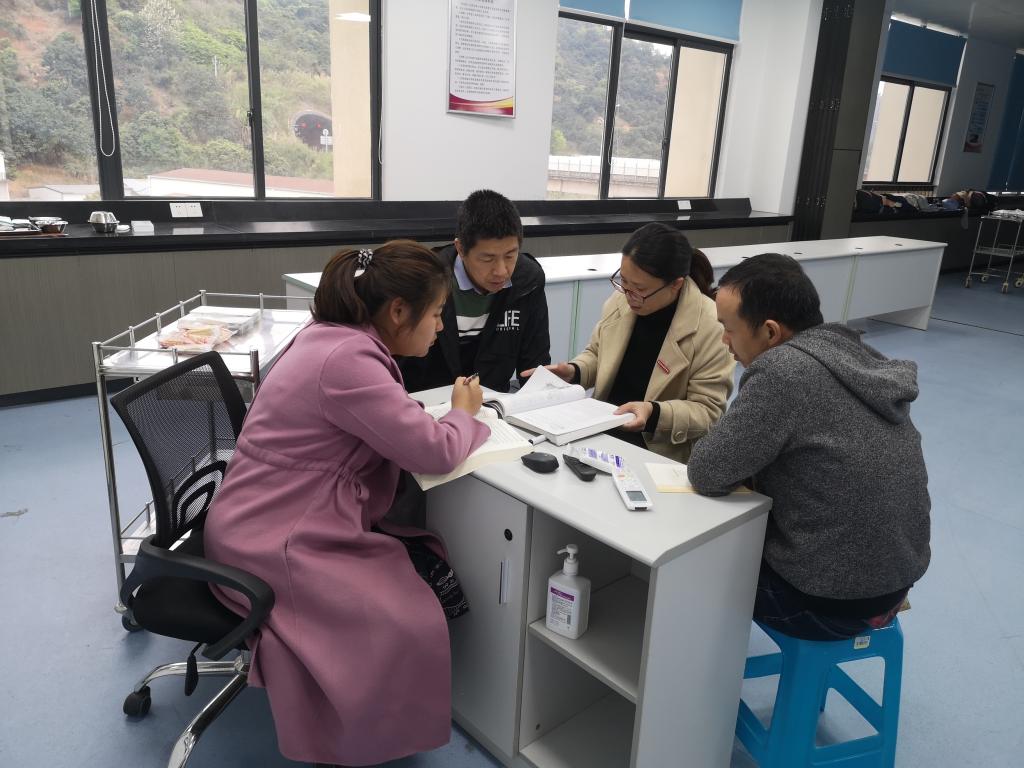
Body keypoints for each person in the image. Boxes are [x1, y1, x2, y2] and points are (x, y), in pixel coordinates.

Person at [203, 241, 491, 766]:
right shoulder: (347, 360)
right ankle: (347, 743)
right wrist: (463, 413)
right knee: (404, 618)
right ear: (398, 311)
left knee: (406, 580)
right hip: (275, 536)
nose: (441, 326)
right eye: (435, 313)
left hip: (262, 512)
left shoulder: (330, 336)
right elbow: (435, 451)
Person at [687, 253, 931, 641]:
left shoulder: (783, 372)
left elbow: (707, 471)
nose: (724, 341)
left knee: (686, 562)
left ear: (770, 332)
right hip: (893, 586)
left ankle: (697, 673)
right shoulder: (851, 351)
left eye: (729, 329)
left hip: (824, 603)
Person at [523, 222, 734, 463]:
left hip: (655, 450)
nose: (628, 295)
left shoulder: (712, 326)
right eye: (623, 281)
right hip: (601, 429)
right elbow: (598, 354)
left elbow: (708, 411)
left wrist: (653, 413)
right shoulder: (622, 299)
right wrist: (574, 371)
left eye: (640, 289)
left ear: (675, 284)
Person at [399, 189, 551, 393]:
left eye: (510, 256)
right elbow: (399, 366)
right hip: (428, 403)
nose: (501, 271)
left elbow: (534, 367)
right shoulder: (426, 279)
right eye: (487, 259)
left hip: (494, 403)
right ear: (461, 249)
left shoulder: (528, 281)